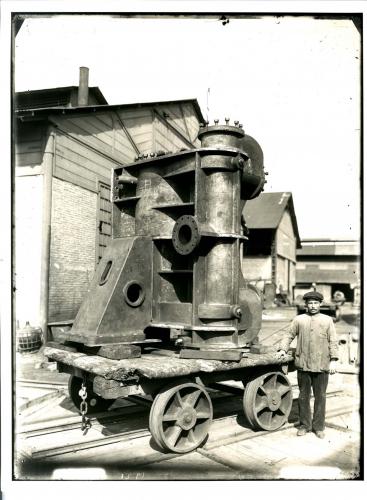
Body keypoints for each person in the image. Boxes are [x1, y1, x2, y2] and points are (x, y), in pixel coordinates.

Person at [278, 291, 338, 439]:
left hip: (321, 365)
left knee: (320, 397)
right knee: (303, 396)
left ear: (321, 304)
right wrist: (282, 349)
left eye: (316, 303)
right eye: (310, 303)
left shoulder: (327, 320)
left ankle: (318, 427)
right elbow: (288, 335)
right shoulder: (299, 320)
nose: (312, 306)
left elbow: (333, 341)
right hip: (303, 364)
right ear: (306, 304)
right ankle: (305, 425)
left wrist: (334, 360)